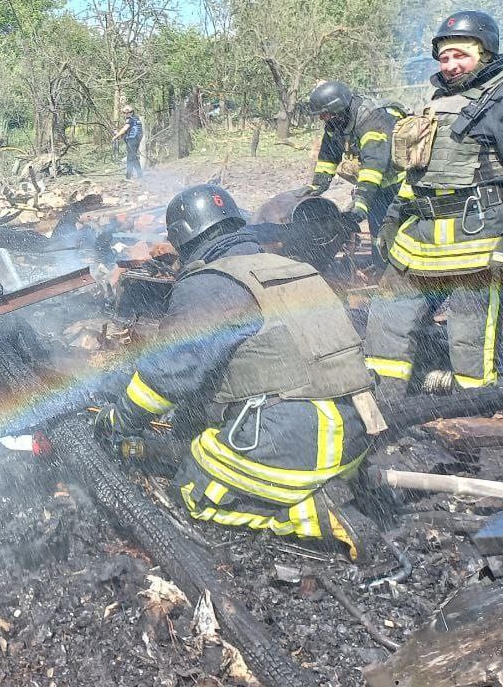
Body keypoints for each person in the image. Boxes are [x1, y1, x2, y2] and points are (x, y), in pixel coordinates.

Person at [93, 184, 385, 558]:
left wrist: (119, 419)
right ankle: (325, 485)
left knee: (192, 489)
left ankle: (315, 515)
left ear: (182, 239)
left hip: (298, 443)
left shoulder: (208, 284)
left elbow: (166, 378)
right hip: (356, 432)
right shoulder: (291, 268)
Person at [364, 11, 503, 394]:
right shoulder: (440, 101)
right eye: (444, 57)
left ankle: (475, 406)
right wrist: (391, 220)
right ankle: (385, 400)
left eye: (461, 55)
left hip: (478, 239)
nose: (450, 65)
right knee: (388, 319)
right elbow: (419, 177)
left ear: (485, 53)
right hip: (420, 240)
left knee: (469, 334)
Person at [303, 81, 406, 245]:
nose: (321, 117)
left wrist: (362, 199)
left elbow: (374, 163)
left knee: (397, 230)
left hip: (401, 185)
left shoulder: (372, 119)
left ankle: (395, 259)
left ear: (337, 108)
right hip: (377, 186)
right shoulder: (337, 122)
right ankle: (380, 258)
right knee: (378, 232)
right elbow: (328, 155)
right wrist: (318, 185)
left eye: (324, 113)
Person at [111, 106, 143, 179]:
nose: (126, 114)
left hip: (132, 141)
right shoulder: (136, 119)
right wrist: (119, 134)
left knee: (131, 158)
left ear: (132, 112)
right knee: (133, 157)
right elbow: (129, 132)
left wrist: (116, 136)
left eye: (128, 112)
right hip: (135, 140)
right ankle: (135, 175)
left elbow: (125, 129)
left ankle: (131, 176)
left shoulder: (130, 120)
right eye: (124, 113)